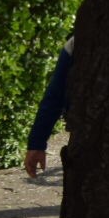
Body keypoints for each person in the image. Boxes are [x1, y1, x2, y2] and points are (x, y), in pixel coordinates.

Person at [24, 36, 73, 176]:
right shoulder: (78, 43)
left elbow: (55, 95)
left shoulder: (79, 41)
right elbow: (56, 95)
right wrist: (36, 143)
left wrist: (36, 143)